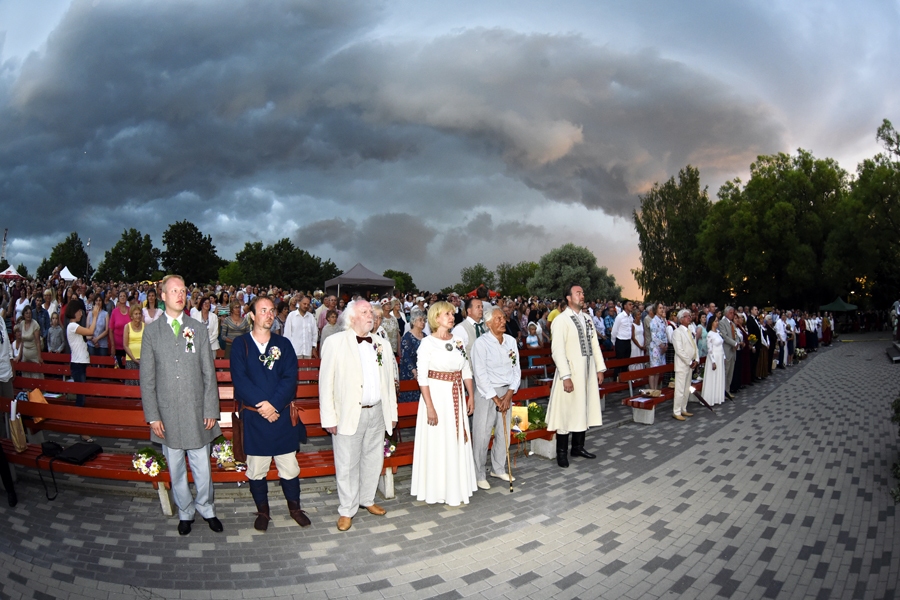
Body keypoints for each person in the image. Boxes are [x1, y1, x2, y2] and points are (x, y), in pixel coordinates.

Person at [140, 275, 222, 536]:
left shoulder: (197, 328)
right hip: (167, 413)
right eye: (173, 290)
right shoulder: (152, 332)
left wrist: (210, 409)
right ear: (162, 296)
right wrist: (153, 416)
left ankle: (206, 507)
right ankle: (185, 511)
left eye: (183, 290)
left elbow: (209, 373)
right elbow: (147, 378)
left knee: (202, 465)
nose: (179, 294)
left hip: (196, 410)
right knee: (175, 466)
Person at [230, 297, 310, 531]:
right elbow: (240, 380)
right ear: (252, 316)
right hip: (254, 419)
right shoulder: (240, 345)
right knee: (256, 470)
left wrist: (274, 405)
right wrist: (262, 405)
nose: (268, 314)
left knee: (290, 467)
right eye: (262, 310)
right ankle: (263, 512)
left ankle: (295, 508)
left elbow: (289, 378)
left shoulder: (283, 344)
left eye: (271, 310)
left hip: (281, 417)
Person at [319, 300, 398, 531]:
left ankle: (367, 499)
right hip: (348, 414)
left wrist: (391, 412)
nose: (371, 316)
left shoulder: (381, 343)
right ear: (351, 317)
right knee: (347, 463)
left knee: (374, 459)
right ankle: (346, 509)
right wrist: (329, 418)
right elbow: (326, 384)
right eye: (365, 312)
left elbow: (389, 384)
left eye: (371, 313)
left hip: (377, 412)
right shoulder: (335, 343)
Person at [410, 301, 477, 505]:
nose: (452, 316)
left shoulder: (457, 340)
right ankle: (437, 489)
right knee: (439, 442)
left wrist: (471, 395)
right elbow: (422, 377)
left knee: (455, 440)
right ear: (436, 317)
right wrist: (430, 406)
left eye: (452, 313)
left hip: (456, 394)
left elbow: (465, 369)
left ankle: (457, 487)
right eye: (447, 313)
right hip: (436, 397)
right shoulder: (427, 343)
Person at [545, 284, 606, 468]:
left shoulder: (587, 318)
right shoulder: (561, 320)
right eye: (578, 293)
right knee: (567, 411)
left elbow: (595, 345)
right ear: (569, 298)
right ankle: (561, 452)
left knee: (583, 408)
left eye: (582, 293)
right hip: (570, 373)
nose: (582, 295)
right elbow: (557, 351)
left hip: (586, 373)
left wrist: (600, 368)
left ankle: (578, 447)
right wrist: (566, 376)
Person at [471, 307, 520, 490]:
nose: (503, 321)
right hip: (487, 394)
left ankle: (498, 468)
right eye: (498, 319)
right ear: (489, 323)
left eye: (503, 318)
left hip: (506, 392)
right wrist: (496, 398)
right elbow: (480, 374)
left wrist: (509, 394)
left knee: (504, 433)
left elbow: (517, 369)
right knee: (482, 435)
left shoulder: (511, 341)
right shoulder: (481, 344)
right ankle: (479, 473)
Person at [671, 309, 699, 421]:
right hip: (682, 365)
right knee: (680, 389)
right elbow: (679, 350)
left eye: (689, 316)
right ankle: (676, 411)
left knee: (687, 388)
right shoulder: (677, 332)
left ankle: (683, 408)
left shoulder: (690, 330)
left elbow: (694, 346)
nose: (689, 318)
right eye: (687, 316)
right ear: (681, 319)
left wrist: (696, 359)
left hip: (690, 364)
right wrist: (690, 361)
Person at [399, 310, 426, 403]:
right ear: (413, 322)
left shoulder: (425, 337)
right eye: (420, 320)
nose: (423, 322)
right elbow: (406, 356)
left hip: (423, 371)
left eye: (424, 320)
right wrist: (414, 370)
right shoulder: (407, 337)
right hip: (409, 372)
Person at [284, 295, 318, 359]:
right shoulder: (291, 316)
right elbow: (287, 334)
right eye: (304, 304)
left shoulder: (311, 317)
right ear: (299, 303)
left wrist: (313, 347)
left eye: (308, 304)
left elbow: (314, 333)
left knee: (308, 369)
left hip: (307, 351)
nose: (306, 306)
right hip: (295, 351)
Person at [14, 305, 43, 378]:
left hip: (34, 354)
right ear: (23, 314)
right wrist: (19, 356)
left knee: (36, 376)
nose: (28, 315)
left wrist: (39, 357)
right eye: (26, 313)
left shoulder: (35, 324)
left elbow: (38, 342)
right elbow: (22, 341)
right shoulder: (22, 323)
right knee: (26, 375)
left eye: (30, 313)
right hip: (25, 354)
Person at [703, 315, 726, 405]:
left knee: (719, 376)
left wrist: (724, 357)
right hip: (714, 357)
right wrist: (713, 361)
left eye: (718, 321)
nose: (717, 322)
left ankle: (718, 397)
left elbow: (721, 346)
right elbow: (709, 349)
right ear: (712, 322)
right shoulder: (710, 334)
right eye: (716, 321)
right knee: (713, 376)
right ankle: (710, 398)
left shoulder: (718, 332)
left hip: (720, 356)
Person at [122, 304, 144, 385]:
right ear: (131, 316)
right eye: (136, 314)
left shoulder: (145, 326)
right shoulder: (127, 327)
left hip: (143, 360)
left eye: (139, 314)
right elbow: (125, 345)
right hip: (131, 360)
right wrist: (134, 359)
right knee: (131, 385)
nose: (138, 316)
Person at [719, 306, 738, 399]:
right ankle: (723, 391)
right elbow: (725, 337)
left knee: (731, 372)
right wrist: (734, 343)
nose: (732, 314)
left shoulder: (733, 324)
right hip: (727, 350)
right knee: (726, 372)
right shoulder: (722, 323)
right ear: (726, 313)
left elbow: (736, 335)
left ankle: (727, 390)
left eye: (733, 313)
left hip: (733, 351)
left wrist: (737, 343)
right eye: (731, 313)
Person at [648, 303, 668, 390]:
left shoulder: (662, 321)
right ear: (656, 310)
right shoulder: (653, 321)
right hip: (656, 348)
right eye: (660, 308)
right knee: (654, 369)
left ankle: (656, 388)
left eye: (662, 308)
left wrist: (666, 344)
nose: (662, 309)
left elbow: (665, 334)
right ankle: (652, 389)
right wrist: (661, 345)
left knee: (658, 371)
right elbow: (654, 336)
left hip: (662, 348)